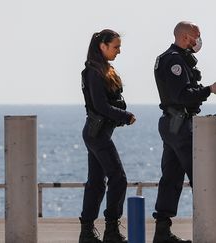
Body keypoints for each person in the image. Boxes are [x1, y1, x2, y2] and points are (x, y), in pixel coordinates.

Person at [152, 21, 216, 243]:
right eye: (195, 35)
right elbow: (182, 95)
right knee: (202, 177)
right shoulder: (174, 60)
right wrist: (210, 89)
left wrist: (208, 89)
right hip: (180, 124)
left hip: (173, 123)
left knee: (171, 177)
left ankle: (162, 232)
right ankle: (211, 232)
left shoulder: (173, 58)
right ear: (183, 37)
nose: (199, 40)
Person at [80, 29, 136, 243]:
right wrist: (125, 115)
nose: (119, 51)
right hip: (97, 134)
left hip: (99, 133)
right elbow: (100, 106)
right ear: (102, 46)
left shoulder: (105, 69)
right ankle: (111, 230)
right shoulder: (93, 72)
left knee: (96, 182)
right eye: (115, 47)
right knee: (118, 179)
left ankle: (86, 233)